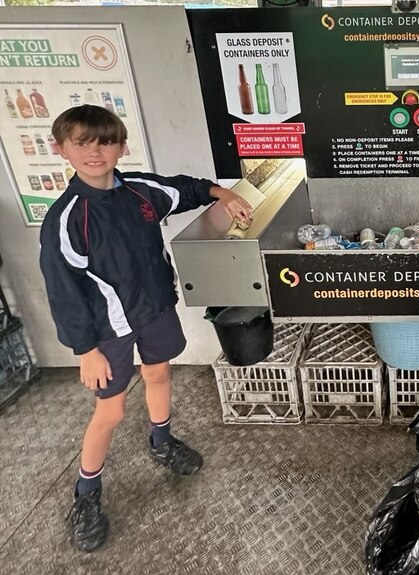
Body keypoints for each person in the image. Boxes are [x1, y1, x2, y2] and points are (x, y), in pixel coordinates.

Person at [39, 104, 253, 552]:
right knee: (110, 412)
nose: (95, 152)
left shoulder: (140, 190)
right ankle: (86, 495)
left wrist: (223, 194)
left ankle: (161, 441)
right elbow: (63, 290)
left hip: (155, 309)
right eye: (82, 142)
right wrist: (85, 349)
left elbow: (185, 189)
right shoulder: (66, 216)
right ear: (61, 149)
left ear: (122, 145)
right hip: (107, 329)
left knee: (158, 373)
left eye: (106, 141)